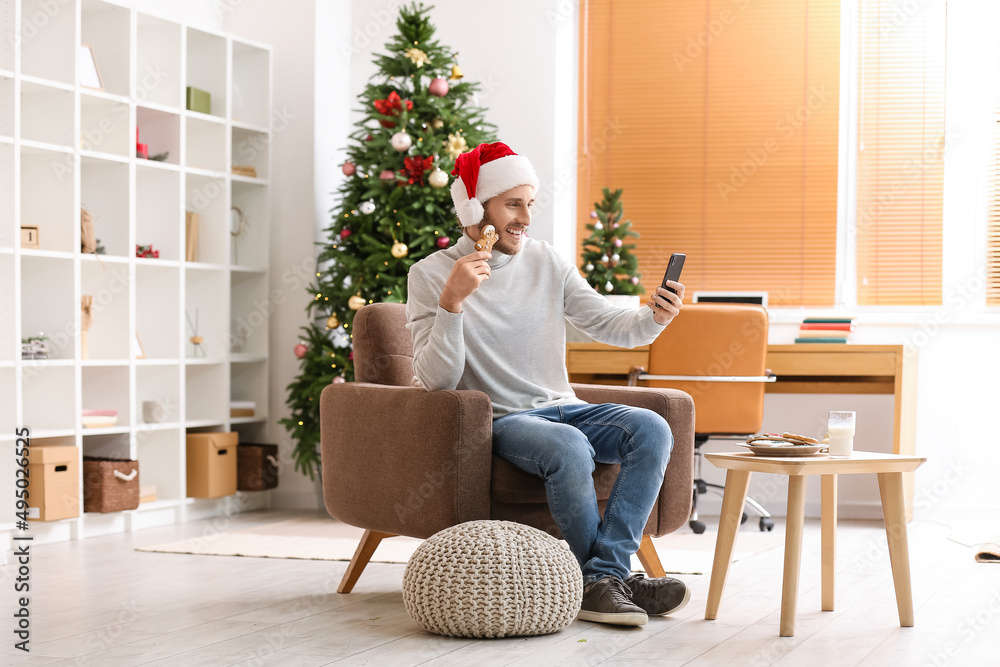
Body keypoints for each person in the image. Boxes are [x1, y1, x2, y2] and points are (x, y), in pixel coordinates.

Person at [405, 141, 688, 627]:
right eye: (513, 204)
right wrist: (453, 304)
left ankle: (604, 576)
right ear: (477, 208)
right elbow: (437, 381)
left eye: (529, 204)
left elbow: (611, 325)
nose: (525, 218)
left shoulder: (547, 261)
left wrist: (655, 317)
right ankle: (606, 583)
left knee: (653, 428)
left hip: (563, 404)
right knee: (569, 446)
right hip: (505, 420)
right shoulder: (432, 275)